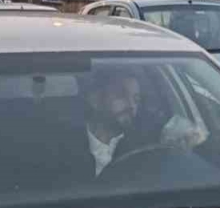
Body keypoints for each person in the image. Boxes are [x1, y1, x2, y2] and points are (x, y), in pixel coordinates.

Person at [80, 66, 208, 178]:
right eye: (121, 96)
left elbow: (184, 131)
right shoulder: (66, 142)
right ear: (95, 101)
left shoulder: (145, 138)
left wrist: (191, 135)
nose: (131, 106)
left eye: (136, 99)